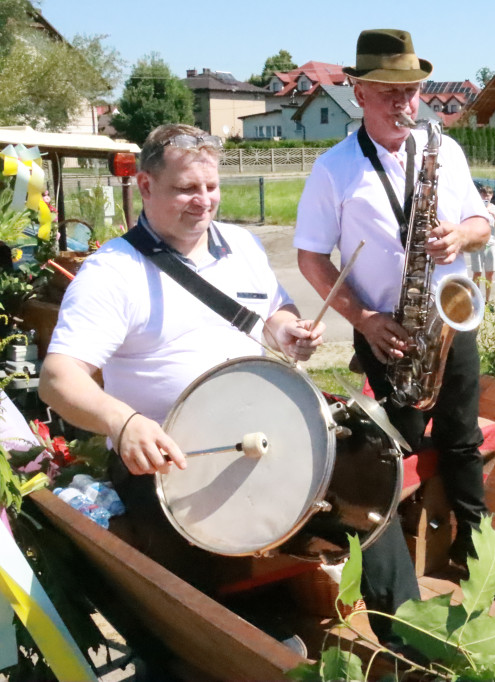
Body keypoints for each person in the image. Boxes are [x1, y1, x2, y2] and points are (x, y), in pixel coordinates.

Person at [37, 123, 325, 581]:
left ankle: (405, 632)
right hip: (169, 466)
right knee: (207, 595)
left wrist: (288, 331)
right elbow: (58, 378)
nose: (204, 200)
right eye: (187, 188)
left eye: (211, 187)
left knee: (355, 505)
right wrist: (122, 422)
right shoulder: (112, 272)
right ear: (145, 186)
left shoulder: (243, 246)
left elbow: (275, 312)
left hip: (262, 439)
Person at [293, 29, 495, 633]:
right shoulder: (334, 169)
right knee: (389, 453)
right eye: (389, 93)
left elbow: (484, 220)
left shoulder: (445, 151)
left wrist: (462, 235)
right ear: (358, 92)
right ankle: (392, 581)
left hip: (448, 319)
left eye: (411, 91)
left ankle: (481, 553)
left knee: (461, 439)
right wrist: (365, 320)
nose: (405, 104)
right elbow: (310, 257)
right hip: (388, 332)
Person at [470, 183, 495, 303]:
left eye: (489, 194)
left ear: (492, 196)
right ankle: (476, 299)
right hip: (478, 244)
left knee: (490, 275)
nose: (486, 196)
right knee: (477, 273)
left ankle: (488, 300)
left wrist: (493, 214)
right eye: (484, 194)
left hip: (491, 244)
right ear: (480, 195)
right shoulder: (475, 207)